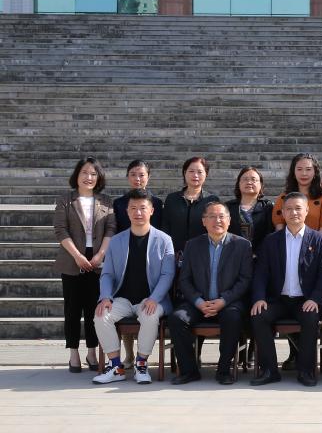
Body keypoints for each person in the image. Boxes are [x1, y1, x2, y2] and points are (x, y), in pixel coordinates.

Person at [249, 192, 322, 387]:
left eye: (298, 208)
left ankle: (306, 371)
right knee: (259, 315)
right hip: (278, 299)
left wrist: (315, 299)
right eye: (289, 209)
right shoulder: (271, 240)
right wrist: (259, 298)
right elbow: (261, 272)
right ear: (283, 212)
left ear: (307, 211)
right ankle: (269, 370)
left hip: (305, 300)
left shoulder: (318, 240)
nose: (293, 212)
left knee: (310, 318)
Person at [91, 189, 175, 384]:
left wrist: (154, 298)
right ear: (127, 212)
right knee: (101, 315)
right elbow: (107, 274)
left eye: (143, 208)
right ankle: (116, 367)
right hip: (122, 299)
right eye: (133, 208)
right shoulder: (116, 241)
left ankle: (141, 364)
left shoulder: (164, 240)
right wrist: (105, 297)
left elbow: (167, 274)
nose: (138, 213)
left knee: (150, 315)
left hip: (151, 298)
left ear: (151, 210)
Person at [168, 201, 253, 385]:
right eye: (212, 217)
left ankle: (223, 370)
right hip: (198, 303)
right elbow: (184, 280)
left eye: (222, 216)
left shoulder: (242, 245)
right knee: (177, 318)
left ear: (229, 220)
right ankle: (189, 370)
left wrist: (224, 300)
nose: (217, 220)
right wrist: (198, 302)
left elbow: (245, 280)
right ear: (204, 221)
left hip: (228, 303)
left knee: (233, 317)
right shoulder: (192, 245)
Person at [54, 157, 115, 374]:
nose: (89, 177)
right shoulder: (65, 200)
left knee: (93, 309)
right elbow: (60, 230)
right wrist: (78, 255)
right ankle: (73, 353)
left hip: (97, 260)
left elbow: (111, 229)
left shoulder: (106, 201)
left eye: (93, 174)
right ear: (77, 175)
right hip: (72, 259)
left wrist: (101, 254)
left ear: (98, 177)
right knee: (72, 309)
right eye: (84, 173)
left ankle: (91, 352)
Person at [164, 156, 219, 256]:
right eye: (191, 171)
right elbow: (165, 227)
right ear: (185, 173)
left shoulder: (212, 200)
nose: (195, 175)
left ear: (206, 174)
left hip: (203, 255)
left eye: (200, 172)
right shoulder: (172, 199)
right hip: (174, 255)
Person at [272, 153, 322, 235]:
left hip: (314, 241)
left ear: (315, 172)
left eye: (308, 169)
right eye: (299, 169)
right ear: (293, 172)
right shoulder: (283, 198)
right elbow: (279, 226)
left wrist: (314, 242)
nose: (304, 173)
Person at [226, 166, 275, 251]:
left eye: (253, 179)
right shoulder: (227, 207)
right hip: (233, 255)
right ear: (238, 184)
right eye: (245, 179)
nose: (249, 182)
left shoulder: (268, 207)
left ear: (260, 185)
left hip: (261, 256)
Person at [112, 159, 163, 233]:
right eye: (133, 175)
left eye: (141, 175)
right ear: (128, 176)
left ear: (148, 177)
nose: (137, 179)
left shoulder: (157, 203)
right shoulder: (118, 203)